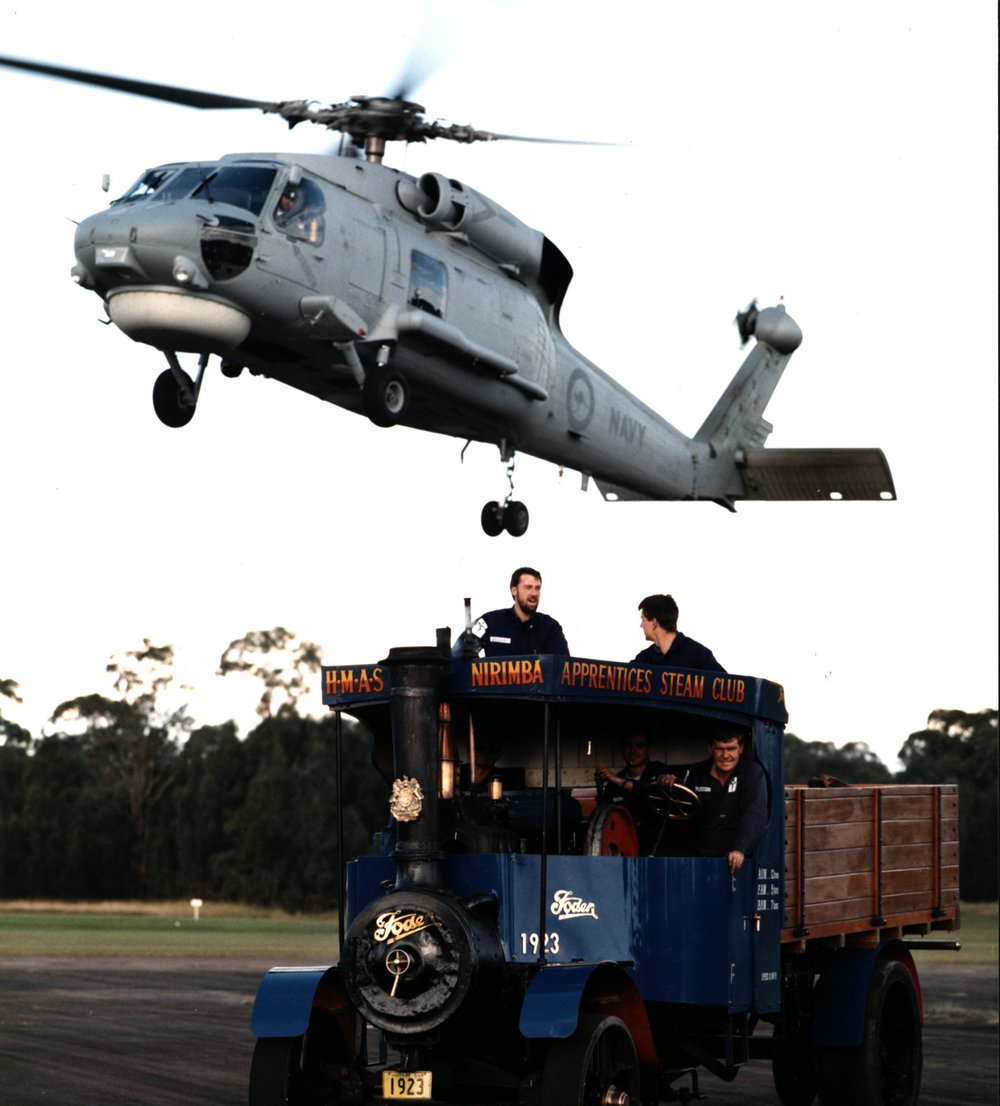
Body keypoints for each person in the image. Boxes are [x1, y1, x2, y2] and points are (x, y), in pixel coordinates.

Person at [658, 730, 768, 874]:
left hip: (731, 862)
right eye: (720, 749)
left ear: (740, 748)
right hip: (695, 861)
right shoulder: (695, 773)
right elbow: (678, 809)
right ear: (710, 749)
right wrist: (669, 783)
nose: (725, 755)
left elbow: (755, 814)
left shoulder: (751, 773)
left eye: (731, 749)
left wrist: (740, 849)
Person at [455, 567, 569, 657]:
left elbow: (562, 668)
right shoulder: (489, 622)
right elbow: (458, 653)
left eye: (537, 588)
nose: (534, 593)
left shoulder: (551, 628)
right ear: (514, 590)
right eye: (528, 587)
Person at [596, 735, 669, 853]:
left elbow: (646, 790)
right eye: (628, 746)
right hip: (625, 854)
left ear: (649, 750)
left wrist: (618, 780)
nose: (633, 751)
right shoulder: (613, 785)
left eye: (639, 746)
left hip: (658, 852)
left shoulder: (661, 773)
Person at [632, 594, 724, 671]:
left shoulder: (698, 655)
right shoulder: (643, 659)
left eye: (643, 620)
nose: (641, 625)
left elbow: (726, 687)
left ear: (654, 622)